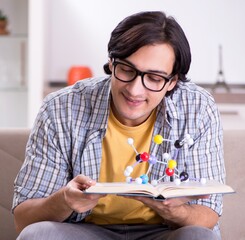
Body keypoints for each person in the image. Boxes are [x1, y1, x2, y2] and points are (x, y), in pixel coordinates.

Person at [13, 11, 225, 240]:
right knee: (38, 235)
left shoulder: (198, 107)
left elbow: (209, 215)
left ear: (172, 82)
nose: (135, 90)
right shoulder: (61, 108)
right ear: (111, 63)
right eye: (126, 69)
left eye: (154, 78)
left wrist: (176, 210)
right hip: (85, 231)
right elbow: (23, 221)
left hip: (164, 232)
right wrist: (65, 200)